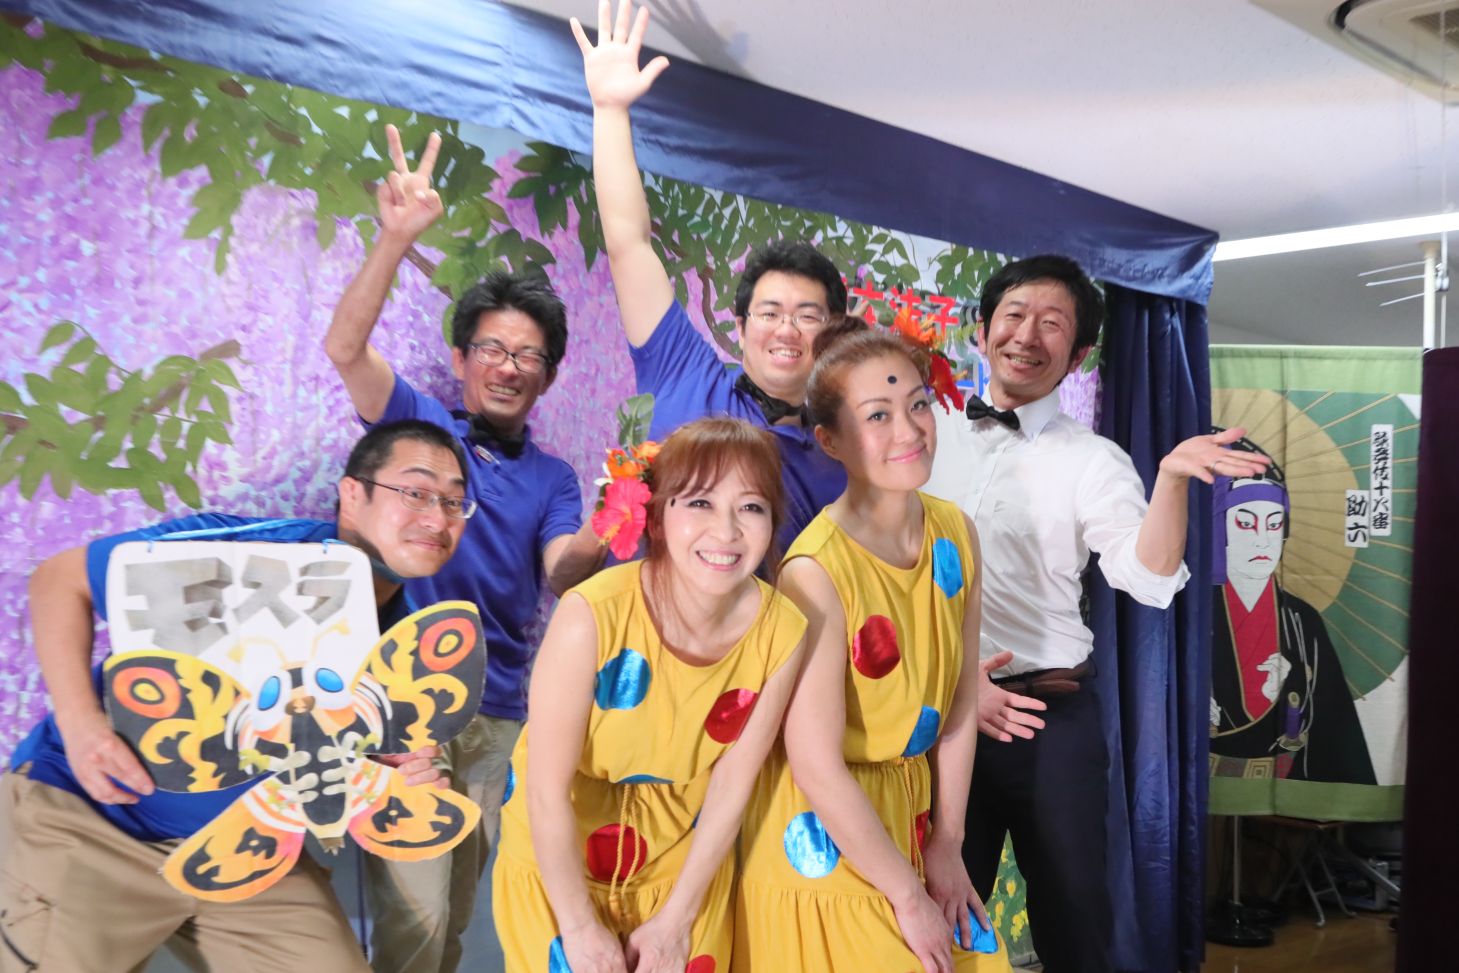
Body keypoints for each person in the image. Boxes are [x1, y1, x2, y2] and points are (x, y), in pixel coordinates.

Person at [0, 420, 470, 973]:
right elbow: (58, 579)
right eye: (415, 492)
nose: (437, 518)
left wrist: (395, 772)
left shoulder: (403, 644)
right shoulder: (243, 546)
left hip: (247, 852)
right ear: (352, 494)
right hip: (94, 823)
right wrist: (82, 727)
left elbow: (333, 760)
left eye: (454, 502)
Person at [922, 255, 1270, 973]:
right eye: (1014, 315)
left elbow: (1147, 577)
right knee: (935, 919)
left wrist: (1171, 479)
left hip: (1049, 717)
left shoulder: (1094, 459)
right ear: (981, 330)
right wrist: (955, 687)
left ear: (1078, 355)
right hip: (939, 714)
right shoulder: (924, 438)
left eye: (1052, 324)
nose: (1027, 335)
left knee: (1076, 921)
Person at [324, 125, 605, 973]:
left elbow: (562, 571)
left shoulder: (554, 476)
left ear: (548, 374)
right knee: (412, 917)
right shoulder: (420, 429)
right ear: (460, 357)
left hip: (499, 714)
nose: (509, 366)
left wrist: (623, 515)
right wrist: (394, 236)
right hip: (404, 706)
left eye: (529, 355)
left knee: (449, 921)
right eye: (492, 348)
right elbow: (344, 350)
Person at [735, 320, 1010, 973]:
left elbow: (960, 703)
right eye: (878, 415)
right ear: (829, 440)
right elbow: (815, 764)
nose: (909, 430)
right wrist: (906, 894)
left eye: (918, 403)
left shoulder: (956, 533)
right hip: (827, 831)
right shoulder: (815, 572)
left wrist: (948, 841)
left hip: (917, 815)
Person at [492, 417, 807, 973]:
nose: (727, 531)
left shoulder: (782, 629)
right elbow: (545, 791)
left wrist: (678, 920)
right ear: (655, 517)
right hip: (559, 861)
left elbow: (733, 785)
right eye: (700, 503)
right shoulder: (590, 615)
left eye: (751, 507)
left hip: (682, 864)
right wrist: (578, 928)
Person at [576, 0, 848, 553]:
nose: (786, 329)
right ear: (741, 327)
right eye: (770, 312)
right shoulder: (682, 368)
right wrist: (609, 111)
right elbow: (629, 243)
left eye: (807, 316)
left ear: (835, 332)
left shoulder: (842, 458)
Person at [1209, 437, 1375, 785]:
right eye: (1245, 523)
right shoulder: (1197, 614)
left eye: (1274, 524)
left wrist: (1288, 690)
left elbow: (1333, 726)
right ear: (1218, 526)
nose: (1262, 540)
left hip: (1289, 772)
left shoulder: (1302, 620)